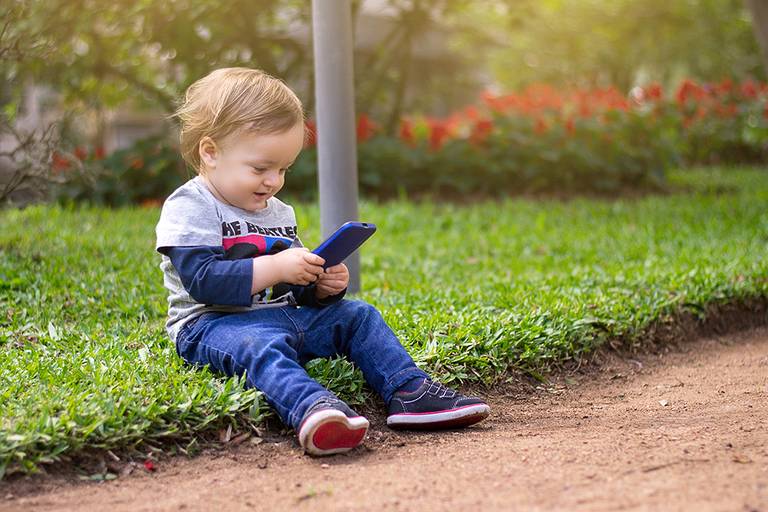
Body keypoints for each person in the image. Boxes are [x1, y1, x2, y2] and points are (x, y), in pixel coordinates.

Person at [155, 67, 490, 456]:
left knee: (358, 315)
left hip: (281, 316)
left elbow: (292, 289)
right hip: (212, 325)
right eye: (260, 168)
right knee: (257, 345)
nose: (272, 181)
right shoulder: (191, 205)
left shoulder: (278, 210)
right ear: (210, 153)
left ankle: (408, 390)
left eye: (282, 169)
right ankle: (314, 408)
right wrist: (279, 267)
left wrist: (320, 286)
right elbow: (203, 280)